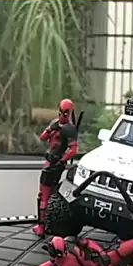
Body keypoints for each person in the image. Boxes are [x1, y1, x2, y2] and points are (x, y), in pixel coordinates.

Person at [32, 99, 78, 238]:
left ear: (69, 113)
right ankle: (45, 224)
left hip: (55, 164)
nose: (62, 115)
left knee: (45, 196)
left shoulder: (69, 129)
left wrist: (61, 160)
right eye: (61, 112)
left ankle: (42, 226)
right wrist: (51, 129)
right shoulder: (55, 124)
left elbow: (73, 150)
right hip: (50, 162)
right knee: (45, 195)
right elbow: (42, 138)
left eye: (66, 113)